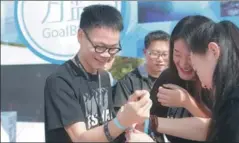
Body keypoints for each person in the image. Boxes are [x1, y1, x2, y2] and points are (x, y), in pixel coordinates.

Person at [127, 18, 239, 142]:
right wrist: (150, 123)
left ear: (213, 51)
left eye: (195, 66)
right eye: (177, 54)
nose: (184, 64)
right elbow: (213, 128)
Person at [44, 5, 152, 142]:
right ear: (80, 36)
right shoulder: (60, 81)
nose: (106, 54)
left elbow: (104, 123)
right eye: (99, 47)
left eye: (113, 48)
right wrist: (121, 121)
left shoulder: (104, 76)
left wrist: (129, 113)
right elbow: (80, 139)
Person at [149, 15, 213, 142]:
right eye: (177, 54)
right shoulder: (168, 77)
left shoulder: (218, 81)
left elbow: (219, 130)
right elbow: (150, 120)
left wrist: (187, 102)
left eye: (190, 57)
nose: (183, 64)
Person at [113, 30, 170, 111]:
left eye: (165, 54)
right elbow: (119, 114)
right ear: (145, 52)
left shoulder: (175, 79)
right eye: (155, 53)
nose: (160, 59)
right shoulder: (128, 82)